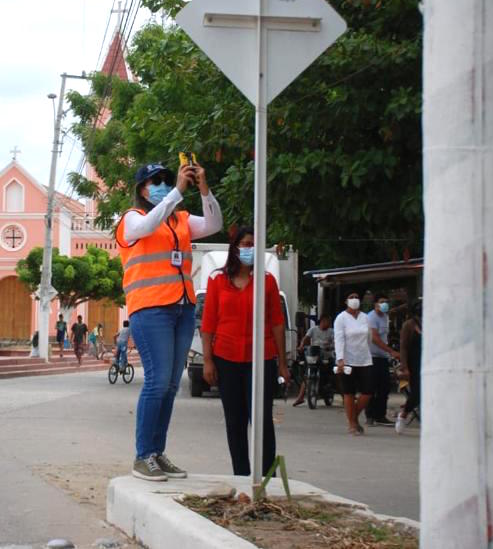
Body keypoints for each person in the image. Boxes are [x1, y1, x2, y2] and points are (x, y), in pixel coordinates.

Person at [115, 160, 222, 482]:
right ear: (142, 189)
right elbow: (147, 228)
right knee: (157, 382)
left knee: (172, 386)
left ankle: (156, 453)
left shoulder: (182, 220)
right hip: (150, 309)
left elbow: (215, 223)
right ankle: (142, 455)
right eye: (155, 180)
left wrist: (203, 187)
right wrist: (176, 190)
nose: (161, 183)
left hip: (182, 307)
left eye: (165, 178)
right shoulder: (132, 219)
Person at [201, 227, 288, 477]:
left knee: (261, 420)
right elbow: (208, 324)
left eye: (253, 244)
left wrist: (283, 363)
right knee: (235, 421)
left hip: (261, 359)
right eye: (245, 243)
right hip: (226, 359)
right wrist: (208, 361)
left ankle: (266, 477)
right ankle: (241, 475)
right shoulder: (217, 280)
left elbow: (277, 323)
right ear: (235, 247)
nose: (249, 249)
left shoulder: (267, 281)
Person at [334, 293, 398, 435]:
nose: (354, 299)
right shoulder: (341, 318)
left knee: (368, 391)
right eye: (351, 297)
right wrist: (340, 359)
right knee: (349, 392)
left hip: (365, 359)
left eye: (356, 297)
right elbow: (339, 339)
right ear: (346, 301)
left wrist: (366, 351)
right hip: (347, 360)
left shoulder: (364, 317)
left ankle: (353, 416)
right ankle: (352, 424)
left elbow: (369, 337)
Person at [366, 295, 397, 426]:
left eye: (386, 302)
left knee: (384, 388)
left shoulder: (385, 317)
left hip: (383, 357)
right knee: (371, 388)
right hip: (372, 357)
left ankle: (380, 415)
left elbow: (384, 337)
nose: (385, 304)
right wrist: (392, 351)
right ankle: (370, 416)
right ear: (375, 304)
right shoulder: (371, 317)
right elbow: (375, 338)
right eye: (382, 302)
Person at [292, 313, 333, 407]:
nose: (327, 323)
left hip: (326, 357)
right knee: (307, 375)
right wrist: (301, 346)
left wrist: (331, 346)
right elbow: (306, 339)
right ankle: (300, 397)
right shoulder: (313, 329)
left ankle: (344, 395)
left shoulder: (331, 331)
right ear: (322, 321)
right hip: (313, 356)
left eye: (329, 322)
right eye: (326, 321)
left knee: (335, 374)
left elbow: (335, 341)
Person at [395, 312, 422, 435]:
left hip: (428, 362)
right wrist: (405, 367)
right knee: (417, 393)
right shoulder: (409, 325)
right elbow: (404, 347)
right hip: (413, 364)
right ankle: (404, 414)